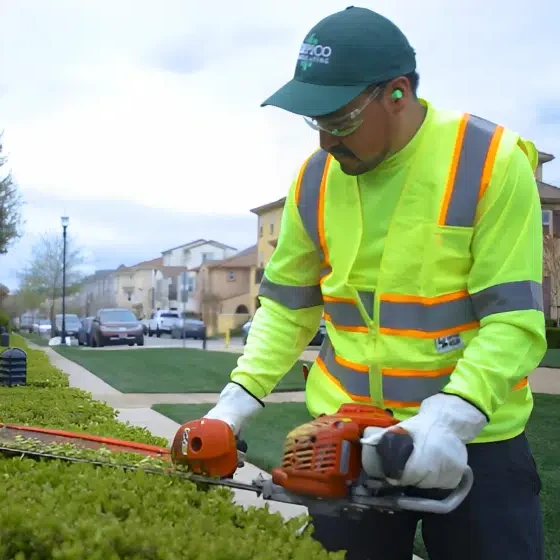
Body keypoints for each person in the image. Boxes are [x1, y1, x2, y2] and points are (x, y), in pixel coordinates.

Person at [201, 6, 546, 560]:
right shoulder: (315, 179)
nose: (325, 141)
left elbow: (515, 321)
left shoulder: (488, 162)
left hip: (476, 441)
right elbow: (287, 308)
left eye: (338, 120)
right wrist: (233, 406)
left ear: (398, 94)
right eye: (315, 122)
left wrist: (449, 416)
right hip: (344, 441)